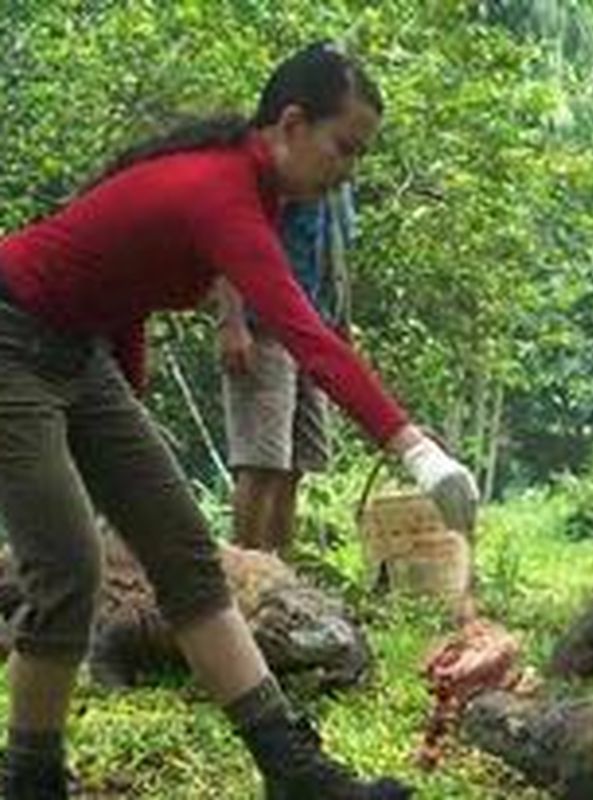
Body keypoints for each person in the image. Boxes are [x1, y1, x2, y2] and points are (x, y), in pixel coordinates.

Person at [0, 41, 478, 799]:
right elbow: (305, 333)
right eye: (345, 147)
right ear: (291, 124)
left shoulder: (256, 191)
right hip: (11, 338)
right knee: (66, 568)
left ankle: (293, 773)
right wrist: (416, 450)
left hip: (79, 351)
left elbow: (123, 286)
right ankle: (30, 779)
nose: (349, 170)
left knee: (187, 557)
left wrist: (128, 403)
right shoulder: (219, 190)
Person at [215, 176, 356, 554]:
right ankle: (246, 569)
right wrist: (231, 321)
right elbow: (232, 238)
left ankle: (279, 569)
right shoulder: (287, 170)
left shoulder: (342, 187)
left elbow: (337, 265)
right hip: (263, 326)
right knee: (261, 460)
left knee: (297, 463)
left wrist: (342, 339)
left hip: (314, 332)